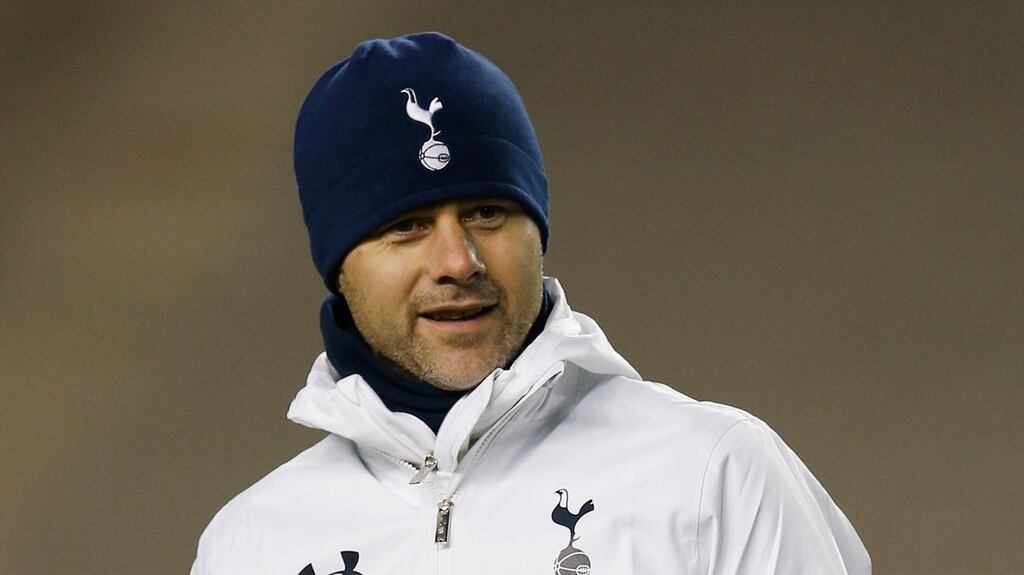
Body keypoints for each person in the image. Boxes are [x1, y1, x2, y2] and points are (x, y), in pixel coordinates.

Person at [190, 32, 870, 575]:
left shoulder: (712, 476)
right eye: (407, 226)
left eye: (488, 212)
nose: (459, 261)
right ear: (339, 265)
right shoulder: (250, 547)